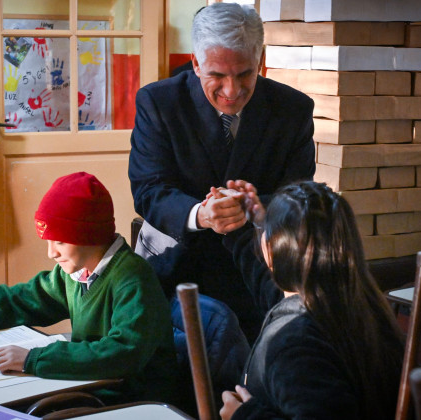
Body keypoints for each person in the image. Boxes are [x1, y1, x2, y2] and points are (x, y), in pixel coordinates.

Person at [128, 2, 314, 342]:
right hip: (173, 272)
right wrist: (201, 213)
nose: (232, 91)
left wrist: (255, 207)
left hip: (258, 274)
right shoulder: (158, 103)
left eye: (245, 74)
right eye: (217, 76)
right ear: (196, 63)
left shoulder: (294, 110)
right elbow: (149, 190)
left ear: (261, 61)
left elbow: (300, 197)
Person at [0, 172, 177, 405]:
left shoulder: (133, 278)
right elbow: (21, 300)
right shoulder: (75, 272)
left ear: (89, 235)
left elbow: (123, 353)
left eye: (60, 241)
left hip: (133, 401)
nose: (51, 253)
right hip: (92, 386)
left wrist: (33, 359)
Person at [217, 180, 404, 419]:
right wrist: (246, 226)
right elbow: (271, 286)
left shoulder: (294, 343)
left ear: (270, 249)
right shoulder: (360, 306)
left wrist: (244, 416)